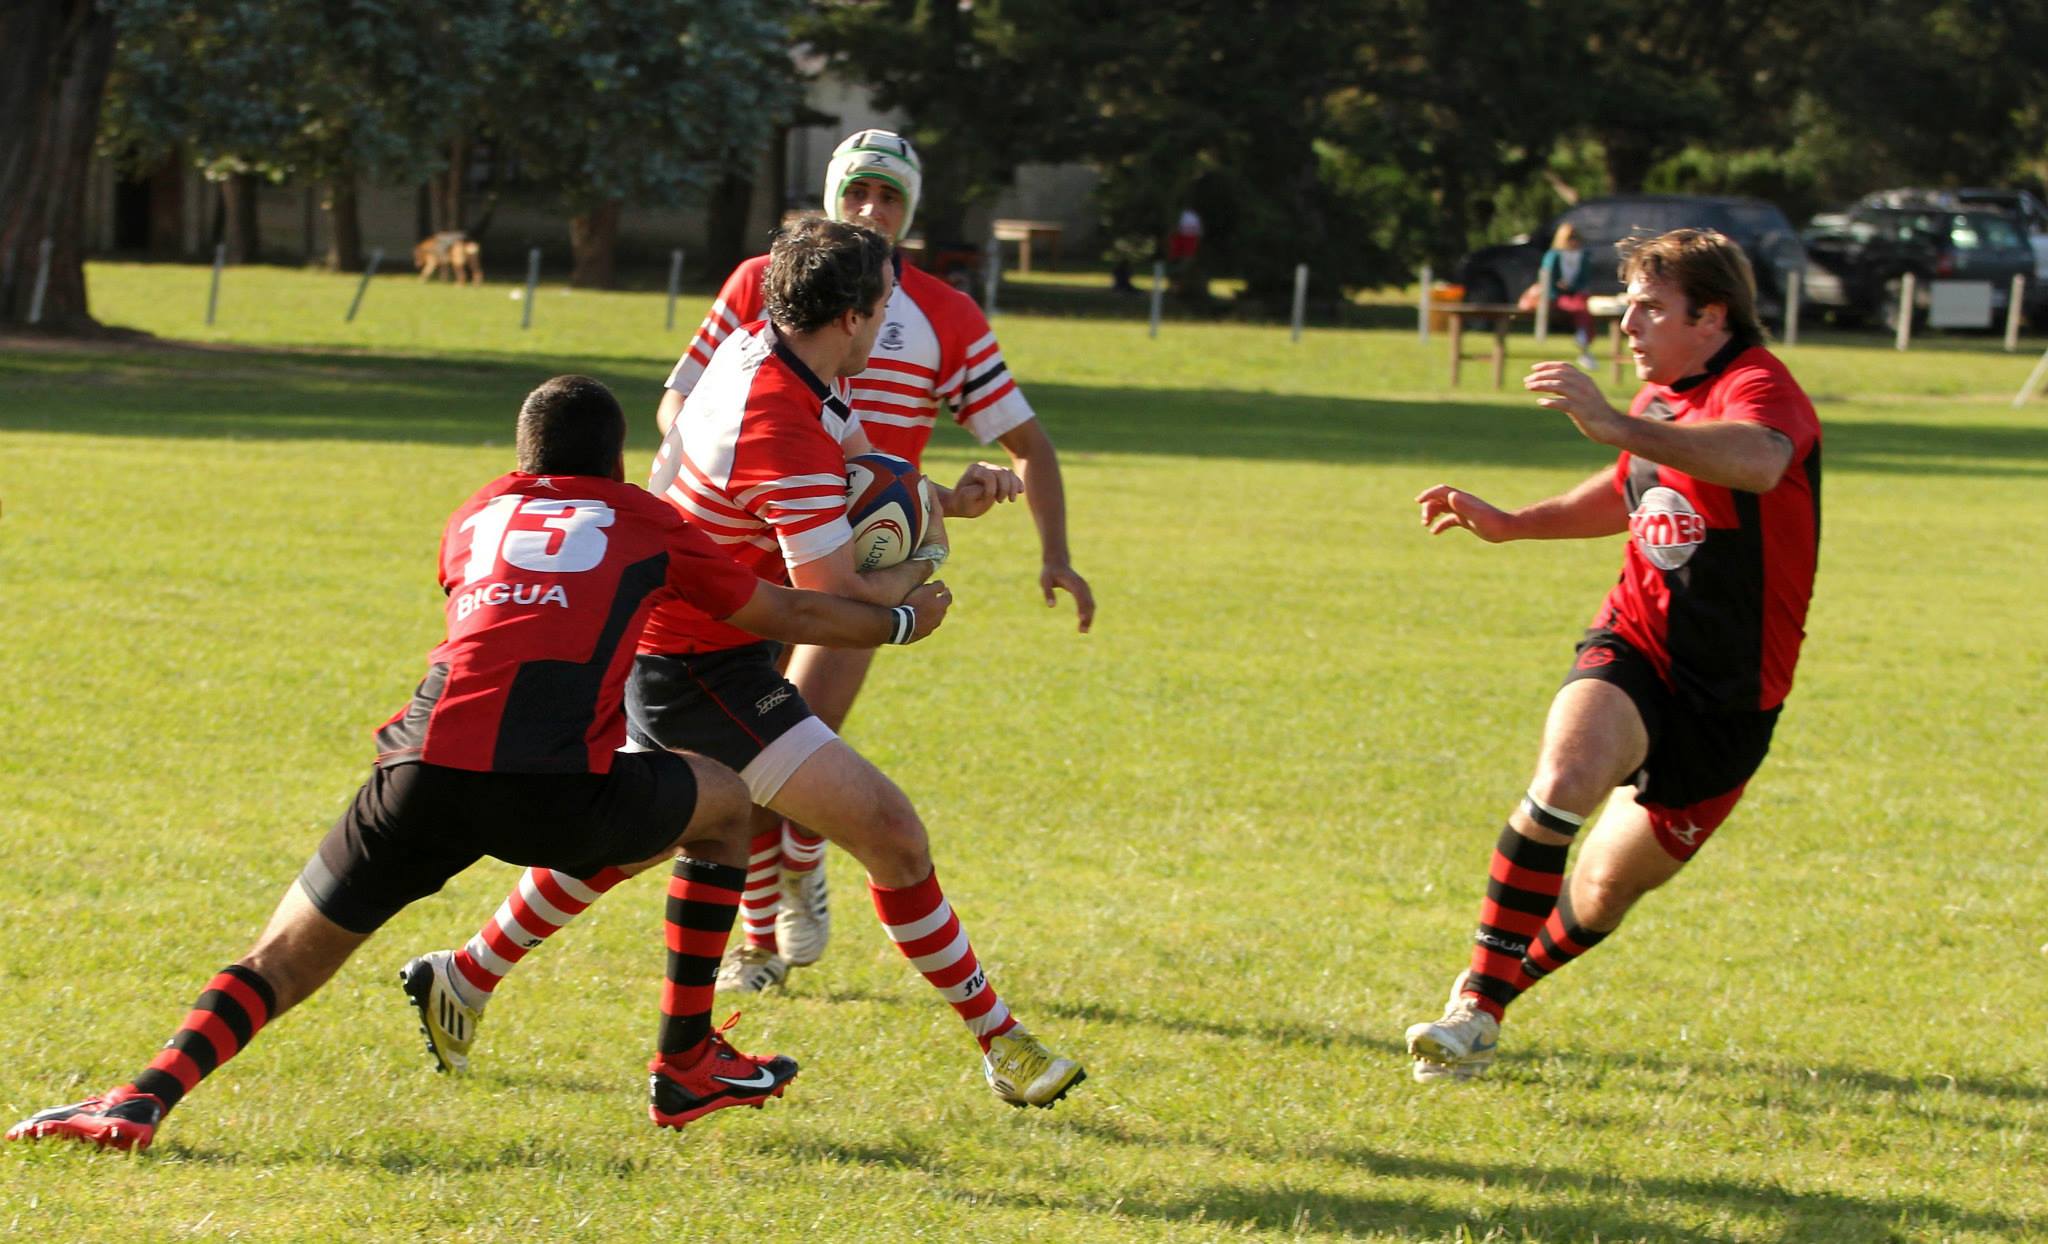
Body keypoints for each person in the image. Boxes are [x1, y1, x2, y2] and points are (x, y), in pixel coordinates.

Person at [3, 375, 953, 1152]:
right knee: (726, 804)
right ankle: (685, 1064)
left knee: (281, 957)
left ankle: (138, 1099)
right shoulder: (642, 519)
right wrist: (903, 614)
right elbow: (789, 614)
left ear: (521, 457)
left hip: (418, 773)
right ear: (618, 463)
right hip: (556, 791)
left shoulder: (473, 517)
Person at [405, 218, 1086, 1109]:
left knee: (645, 836)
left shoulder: (774, 355)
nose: (891, 323)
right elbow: (834, 602)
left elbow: (860, 474)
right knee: (890, 832)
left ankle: (469, 972)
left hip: (686, 641)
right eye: (884, 306)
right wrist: (923, 586)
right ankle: (1004, 1045)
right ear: (849, 315)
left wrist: (944, 499)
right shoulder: (778, 421)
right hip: (698, 666)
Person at [652, 128, 1092, 988]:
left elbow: (1028, 442)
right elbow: (680, 402)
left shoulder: (941, 315)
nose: (870, 209)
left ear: (910, 212)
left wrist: (1055, 553)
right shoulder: (763, 282)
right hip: (743, 553)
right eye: (857, 191)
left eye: (889, 197)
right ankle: (760, 944)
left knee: (794, 747)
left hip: (854, 562)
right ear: (831, 195)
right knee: (743, 768)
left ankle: (794, 879)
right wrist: (719, 480)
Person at [1403, 228, 1821, 1082]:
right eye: (1625, 305)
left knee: (1600, 894)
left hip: (1731, 697)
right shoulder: (1664, 399)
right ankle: (1474, 1009)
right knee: (1562, 784)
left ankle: (1497, 992)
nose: (1627, 325)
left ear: (1713, 316)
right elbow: (1632, 489)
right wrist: (1517, 522)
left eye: (1650, 308)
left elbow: (1761, 461)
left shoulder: (1758, 386)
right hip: (1636, 643)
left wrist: (1612, 419)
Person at [1537, 222, 1598, 370]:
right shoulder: (1554, 256)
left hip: (1576, 294)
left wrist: (1571, 287)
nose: (1573, 241)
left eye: (1576, 237)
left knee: (1580, 304)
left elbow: (1584, 281)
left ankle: (1583, 340)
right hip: (1557, 297)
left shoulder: (1582, 257)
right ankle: (1584, 342)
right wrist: (1559, 288)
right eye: (1570, 238)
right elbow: (1547, 280)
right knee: (1578, 307)